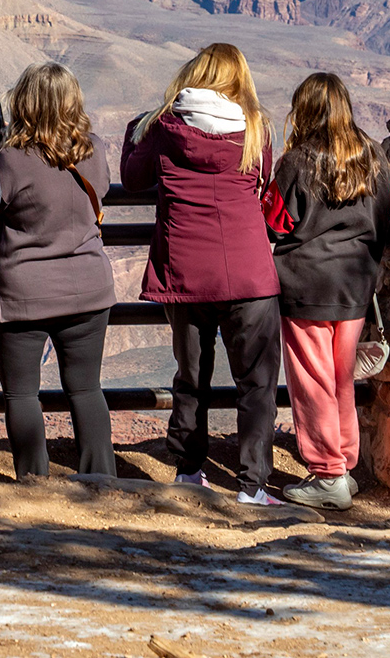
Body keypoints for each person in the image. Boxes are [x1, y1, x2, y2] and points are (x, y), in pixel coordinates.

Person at [122, 42, 283, 506]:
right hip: (249, 275)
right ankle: (252, 485)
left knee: (191, 377)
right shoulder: (256, 128)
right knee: (256, 382)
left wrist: (142, 124)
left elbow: (133, 177)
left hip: (187, 272)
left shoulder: (164, 125)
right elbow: (263, 180)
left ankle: (191, 471)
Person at [271, 73, 390, 510]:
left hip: (305, 284)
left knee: (312, 381)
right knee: (341, 379)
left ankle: (327, 475)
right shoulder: (373, 156)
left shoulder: (296, 161)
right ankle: (342, 465)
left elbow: (276, 221)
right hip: (356, 282)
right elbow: (385, 219)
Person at [0, 62, 116, 478]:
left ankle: (33, 481)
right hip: (89, 288)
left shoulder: (10, 159)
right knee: (86, 389)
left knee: (22, 394)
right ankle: (101, 481)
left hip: (26, 293)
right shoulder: (94, 149)